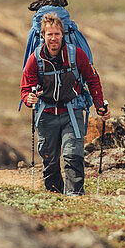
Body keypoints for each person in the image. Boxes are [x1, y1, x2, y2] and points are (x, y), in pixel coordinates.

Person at [21, 12, 111, 195]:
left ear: (63, 34)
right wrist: (27, 98)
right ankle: (55, 195)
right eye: (49, 34)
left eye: (57, 34)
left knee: (73, 156)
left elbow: (92, 80)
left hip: (72, 112)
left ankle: (74, 197)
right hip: (46, 115)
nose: (53, 38)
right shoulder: (35, 59)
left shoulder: (76, 54)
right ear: (43, 35)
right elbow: (26, 87)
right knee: (49, 160)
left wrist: (100, 105)